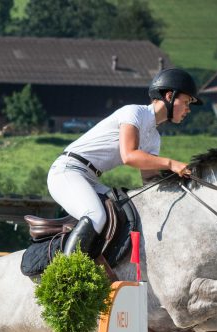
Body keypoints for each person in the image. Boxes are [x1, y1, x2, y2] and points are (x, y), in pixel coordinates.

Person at [47, 68, 201, 258]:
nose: (188, 109)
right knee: (96, 215)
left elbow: (150, 180)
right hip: (67, 171)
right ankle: (67, 271)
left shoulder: (154, 138)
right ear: (169, 96)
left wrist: (179, 189)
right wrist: (171, 164)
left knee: (124, 214)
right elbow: (129, 155)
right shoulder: (133, 112)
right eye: (186, 102)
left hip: (89, 178)